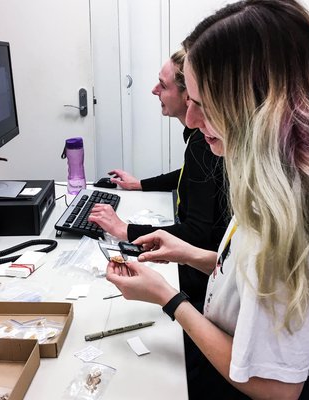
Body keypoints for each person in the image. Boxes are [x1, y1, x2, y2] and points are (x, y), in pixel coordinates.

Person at [105, 1, 309, 399]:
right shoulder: (275, 180)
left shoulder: (293, 216)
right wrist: (194, 255)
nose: (192, 121)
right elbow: (260, 279)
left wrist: (169, 298)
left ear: (254, 107)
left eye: (202, 104)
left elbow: (274, 388)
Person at [89, 49, 230, 399]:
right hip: (213, 275)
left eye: (162, 84)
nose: (154, 90)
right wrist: (141, 185)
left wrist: (126, 232)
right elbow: (189, 177)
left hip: (206, 296)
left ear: (189, 96)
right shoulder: (202, 143)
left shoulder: (203, 143)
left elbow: (198, 233)